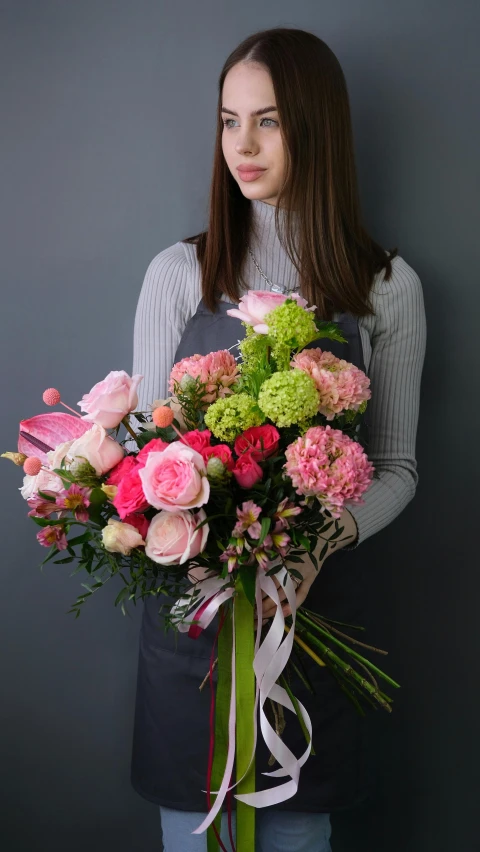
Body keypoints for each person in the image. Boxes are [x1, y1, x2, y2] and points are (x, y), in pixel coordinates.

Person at [128, 27, 427, 852]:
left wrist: (312, 548)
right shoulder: (177, 275)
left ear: (317, 128)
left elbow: (398, 468)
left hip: (311, 616)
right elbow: (149, 458)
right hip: (195, 623)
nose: (243, 146)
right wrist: (201, 552)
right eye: (229, 121)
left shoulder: (386, 287)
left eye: (269, 122)